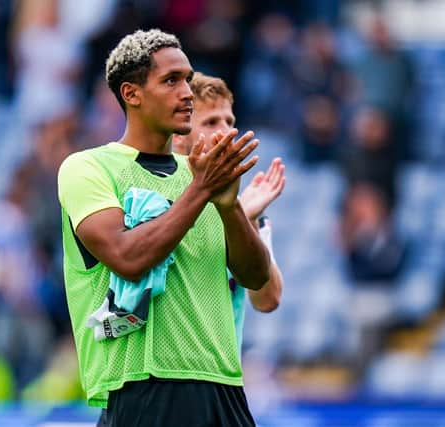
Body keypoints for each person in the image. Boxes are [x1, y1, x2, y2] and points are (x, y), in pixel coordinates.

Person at [57, 29, 270, 426]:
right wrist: (202, 190)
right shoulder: (88, 168)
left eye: (188, 79)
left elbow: (255, 276)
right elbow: (126, 257)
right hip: (145, 388)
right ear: (131, 94)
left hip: (225, 388)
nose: (187, 92)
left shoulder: (203, 173)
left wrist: (229, 208)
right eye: (171, 80)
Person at [173, 72, 285, 350]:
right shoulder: (158, 199)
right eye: (211, 122)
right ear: (178, 136)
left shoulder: (245, 205)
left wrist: (245, 220)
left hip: (223, 378)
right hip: (168, 375)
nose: (227, 132)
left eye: (230, 121)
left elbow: (268, 300)